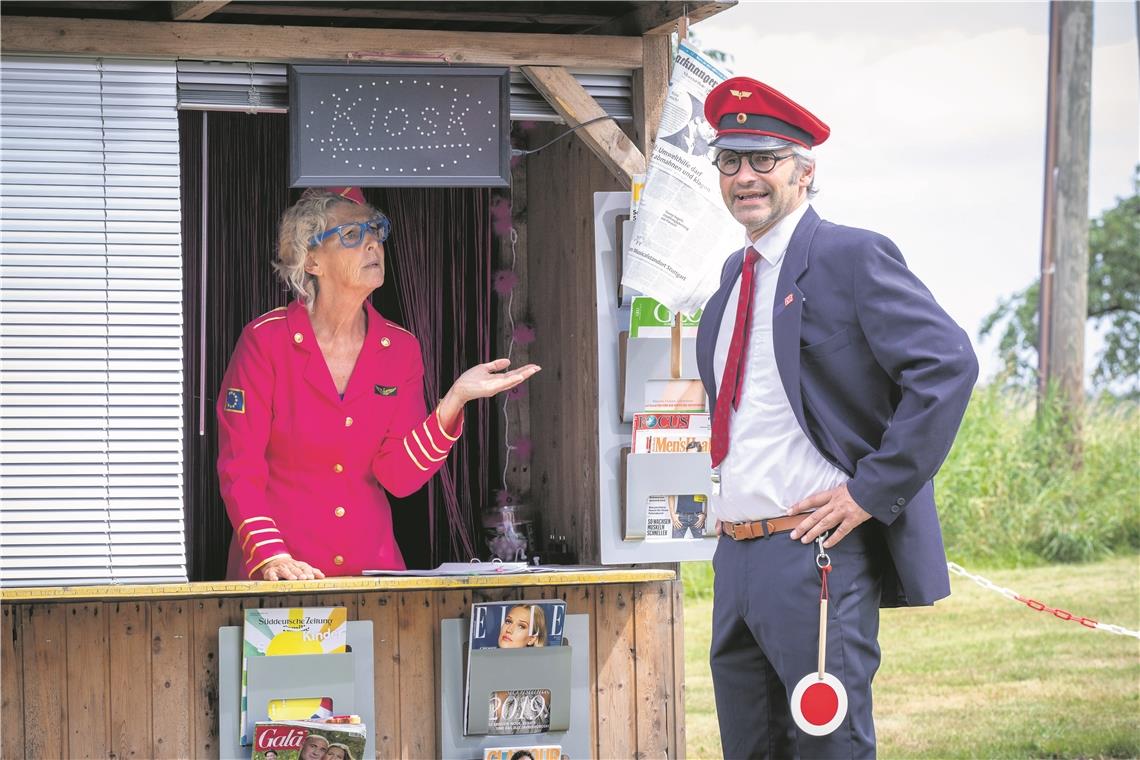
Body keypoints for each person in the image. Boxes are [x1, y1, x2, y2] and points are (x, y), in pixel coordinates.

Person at [695, 77, 978, 758]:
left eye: (764, 158)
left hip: (812, 554)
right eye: (730, 160)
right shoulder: (731, 281)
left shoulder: (852, 256)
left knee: (830, 746)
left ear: (805, 170)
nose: (745, 176)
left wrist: (871, 491)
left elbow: (947, 366)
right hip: (734, 560)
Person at [217, 188, 540, 580]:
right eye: (352, 235)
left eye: (375, 230)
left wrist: (453, 402)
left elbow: (398, 477)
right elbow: (241, 467)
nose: (373, 243)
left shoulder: (400, 348)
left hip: (371, 573)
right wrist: (271, 555)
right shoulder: (265, 341)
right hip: (282, 571)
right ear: (312, 259)